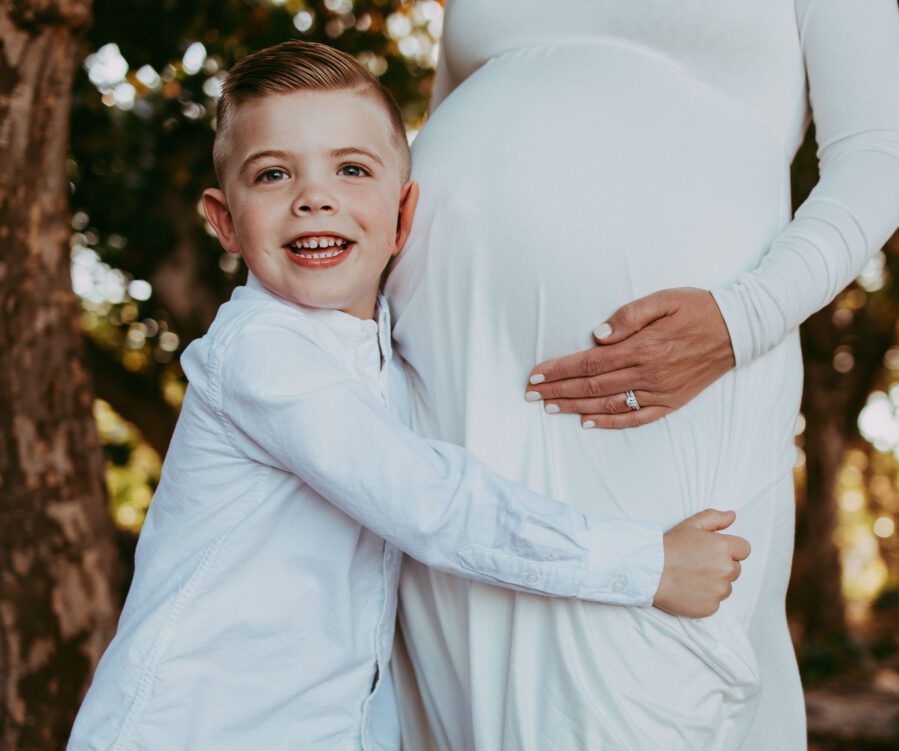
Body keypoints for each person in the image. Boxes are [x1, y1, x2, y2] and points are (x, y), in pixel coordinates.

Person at [67, 41, 750, 751]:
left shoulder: (377, 357)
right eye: (273, 174)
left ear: (403, 215)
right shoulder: (262, 354)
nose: (314, 196)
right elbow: (433, 504)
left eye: (351, 169)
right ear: (225, 221)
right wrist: (646, 563)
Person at [384, 1, 899, 749]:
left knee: (652, 683)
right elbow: (428, 146)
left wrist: (743, 319)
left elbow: (881, 158)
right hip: (453, 392)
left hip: (676, 388)